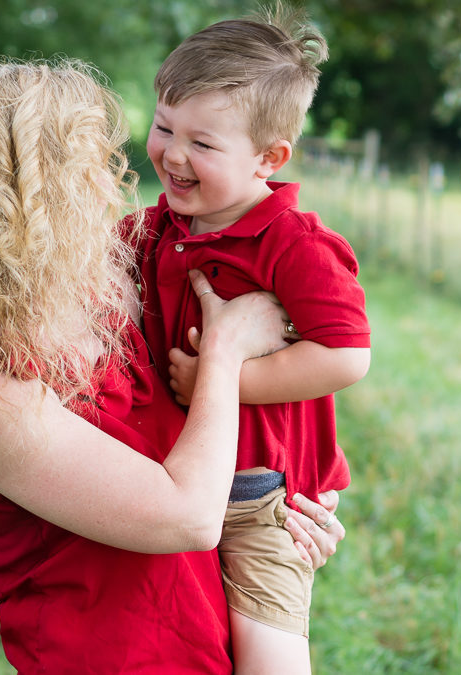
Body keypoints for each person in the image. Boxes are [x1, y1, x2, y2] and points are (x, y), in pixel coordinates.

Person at [0, 60, 346, 673]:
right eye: (89, 165)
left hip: (210, 641)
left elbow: (218, 449)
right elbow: (187, 516)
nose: (115, 182)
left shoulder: (112, 287)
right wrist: (224, 350)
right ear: (31, 198)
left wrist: (283, 515)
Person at [135, 6, 371, 673]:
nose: (173, 154)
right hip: (175, 475)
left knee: (268, 655)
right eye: (163, 126)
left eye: (203, 144)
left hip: (260, 494)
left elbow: (347, 353)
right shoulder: (168, 224)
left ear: (270, 158)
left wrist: (225, 375)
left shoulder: (291, 244)